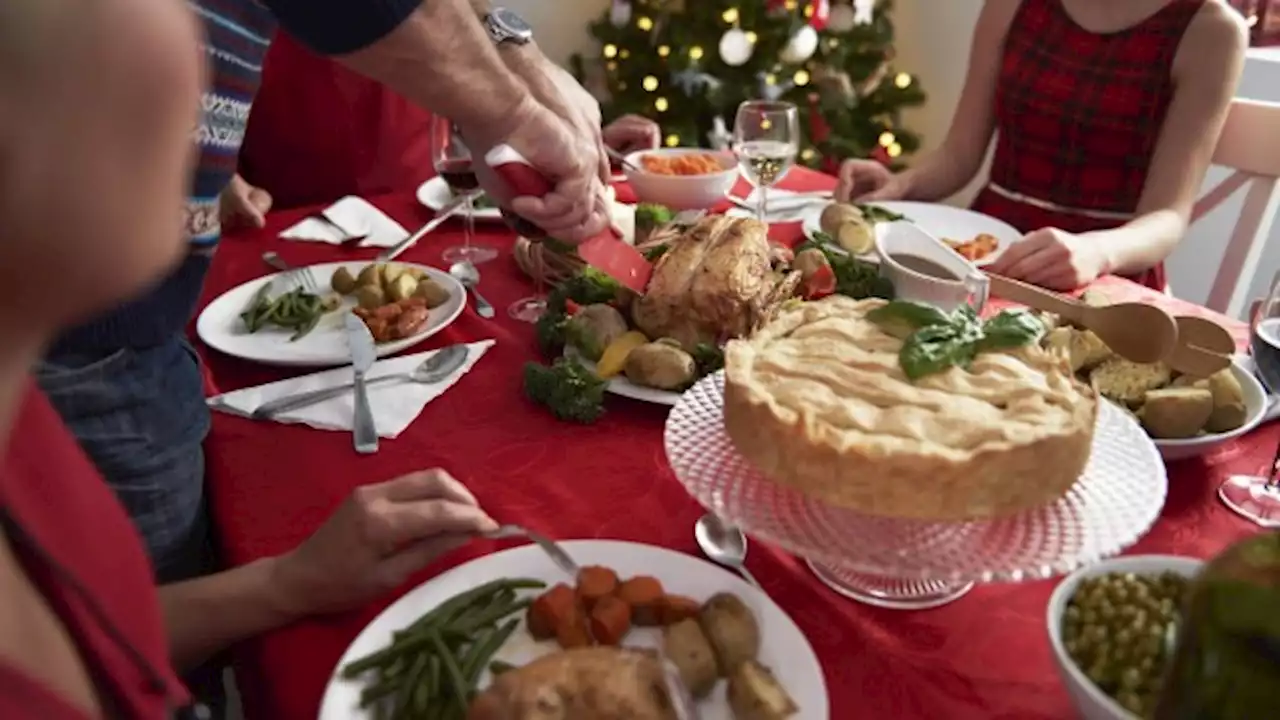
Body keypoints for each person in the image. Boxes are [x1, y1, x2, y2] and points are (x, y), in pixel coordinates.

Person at [35, 0, 607, 712]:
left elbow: (80, 637)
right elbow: (87, 665)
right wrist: (513, 110)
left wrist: (285, 585)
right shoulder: (51, 412)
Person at [835, 0, 1248, 291]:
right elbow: (959, 157)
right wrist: (899, 186)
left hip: (1105, 274)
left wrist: (1095, 251)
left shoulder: (1212, 30)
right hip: (990, 255)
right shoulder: (1012, 5)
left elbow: (1167, 218)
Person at [224, 26, 661, 226]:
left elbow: (472, 80)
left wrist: (561, 136)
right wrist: (203, 173)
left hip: (424, 217)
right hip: (282, 222)